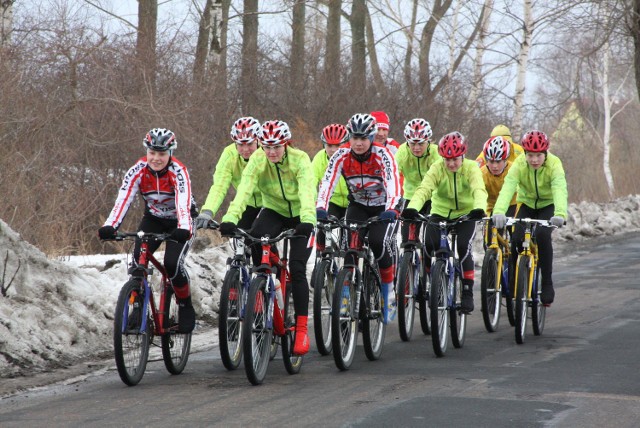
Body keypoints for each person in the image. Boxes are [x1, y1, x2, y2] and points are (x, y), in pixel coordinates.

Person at [219, 120, 317, 355]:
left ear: (286, 144)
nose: (271, 152)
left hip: (302, 216)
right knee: (255, 240)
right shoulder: (258, 159)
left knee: (297, 267)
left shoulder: (300, 159)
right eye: (266, 147)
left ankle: (302, 330)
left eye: (277, 147)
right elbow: (243, 190)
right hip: (273, 210)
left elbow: (306, 191)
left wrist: (308, 220)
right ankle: (264, 291)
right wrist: (231, 217)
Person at [98, 128, 198, 333]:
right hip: (153, 219)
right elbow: (124, 197)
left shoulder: (179, 171)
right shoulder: (138, 169)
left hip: (181, 219)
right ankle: (137, 306)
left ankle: (185, 304)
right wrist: (111, 225)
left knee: (172, 264)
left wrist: (184, 228)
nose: (156, 158)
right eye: (152, 153)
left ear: (170, 153)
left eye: (161, 154)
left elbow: (183, 202)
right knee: (138, 260)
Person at [317, 113, 404, 324]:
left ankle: (388, 290)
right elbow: (327, 182)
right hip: (357, 205)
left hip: (383, 207)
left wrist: (392, 208)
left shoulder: (383, 155)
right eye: (354, 138)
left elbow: (393, 183)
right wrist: (321, 207)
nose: (358, 143)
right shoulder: (341, 155)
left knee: (378, 242)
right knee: (350, 250)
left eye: (363, 138)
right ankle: (346, 296)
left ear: (372, 138)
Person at [403, 132, 487, 313]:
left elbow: (478, 190)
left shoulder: (472, 168)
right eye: (447, 159)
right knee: (428, 244)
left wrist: (479, 208)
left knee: (464, 246)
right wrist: (413, 208)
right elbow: (424, 189)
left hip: (466, 214)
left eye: (455, 159)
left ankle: (467, 292)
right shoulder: (437, 168)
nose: (450, 163)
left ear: (463, 155)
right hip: (440, 212)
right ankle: (427, 282)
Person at [491, 130, 567, 305]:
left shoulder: (555, 164)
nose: (534, 160)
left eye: (538, 155)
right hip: (526, 204)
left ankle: (547, 283)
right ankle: (514, 280)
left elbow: (559, 188)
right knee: (516, 238)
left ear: (545, 153)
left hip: (548, 205)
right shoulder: (519, 164)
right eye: (530, 155)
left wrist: (560, 213)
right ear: (524, 153)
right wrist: (499, 211)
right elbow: (508, 187)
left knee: (542, 235)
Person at [196, 117, 262, 230]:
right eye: (240, 144)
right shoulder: (229, 154)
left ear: (258, 140)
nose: (245, 149)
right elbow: (219, 186)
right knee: (239, 235)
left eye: (250, 144)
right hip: (246, 203)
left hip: (270, 203)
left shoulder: (267, 153)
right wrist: (208, 211)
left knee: (261, 232)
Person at [395, 118, 441, 242]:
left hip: (433, 196)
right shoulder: (402, 152)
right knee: (407, 239)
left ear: (428, 141)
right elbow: (393, 175)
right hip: (411, 196)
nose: (416, 148)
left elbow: (443, 178)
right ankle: (409, 257)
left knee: (430, 239)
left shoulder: (436, 152)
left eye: (421, 144)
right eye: (412, 143)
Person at [311, 123, 350, 251]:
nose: (334, 150)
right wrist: (313, 203)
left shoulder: (352, 156)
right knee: (322, 230)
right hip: (333, 201)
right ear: (324, 145)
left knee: (349, 239)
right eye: (329, 145)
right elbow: (310, 182)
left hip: (352, 202)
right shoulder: (319, 158)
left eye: (338, 145)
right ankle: (323, 259)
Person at [481, 136, 517, 217]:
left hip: (512, 204)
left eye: (498, 161)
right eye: (491, 161)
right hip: (491, 207)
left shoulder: (514, 169)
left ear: (505, 160)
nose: (494, 166)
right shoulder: (482, 173)